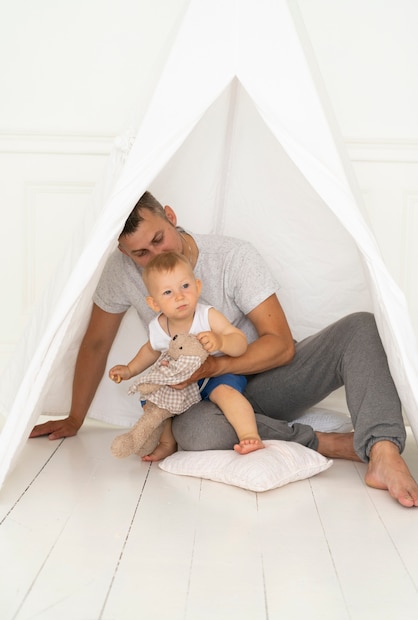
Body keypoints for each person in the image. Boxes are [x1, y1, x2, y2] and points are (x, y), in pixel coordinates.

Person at [30, 191, 418, 508]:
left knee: (362, 327)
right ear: (123, 252)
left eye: (157, 239)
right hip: (204, 403)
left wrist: (214, 365)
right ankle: (328, 443)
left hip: (269, 378)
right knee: (192, 431)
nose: (151, 254)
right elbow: (97, 342)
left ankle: (382, 451)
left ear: (169, 215)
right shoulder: (121, 272)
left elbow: (281, 346)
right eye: (139, 253)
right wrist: (75, 417)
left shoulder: (232, 256)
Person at [108, 251, 264, 458]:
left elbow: (240, 342)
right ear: (154, 304)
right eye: (167, 293)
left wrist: (221, 341)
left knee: (226, 394)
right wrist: (129, 369)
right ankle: (166, 443)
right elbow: (150, 350)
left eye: (185, 286)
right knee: (155, 403)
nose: (179, 296)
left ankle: (249, 435)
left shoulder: (206, 315)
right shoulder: (158, 326)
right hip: (179, 384)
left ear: (197, 286)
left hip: (213, 375)